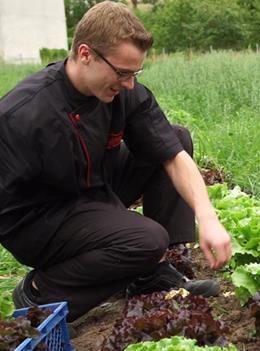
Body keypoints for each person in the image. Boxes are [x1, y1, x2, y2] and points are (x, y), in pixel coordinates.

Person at [0, 1, 232, 323]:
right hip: (42, 218)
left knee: (177, 138)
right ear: (85, 54)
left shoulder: (123, 92)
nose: (129, 83)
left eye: (135, 73)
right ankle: (41, 291)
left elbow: (172, 154)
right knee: (146, 240)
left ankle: (156, 271)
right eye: (122, 72)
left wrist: (207, 216)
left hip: (94, 185)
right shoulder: (25, 113)